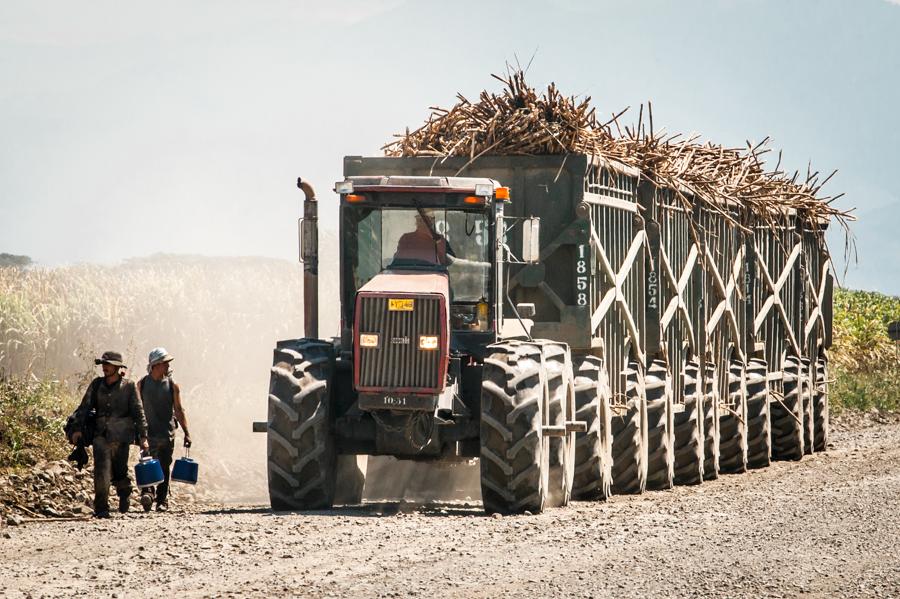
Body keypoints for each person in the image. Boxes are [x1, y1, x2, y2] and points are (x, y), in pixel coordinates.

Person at [70, 351, 149, 518]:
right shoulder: (97, 385)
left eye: (108, 364)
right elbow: (84, 407)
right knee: (101, 471)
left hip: (122, 436)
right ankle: (101, 508)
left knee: (120, 471)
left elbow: (138, 412)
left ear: (117, 367)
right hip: (101, 435)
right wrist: (77, 429)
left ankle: (124, 492)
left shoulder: (129, 386)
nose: (104, 367)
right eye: (103, 364)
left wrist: (143, 437)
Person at [137, 347, 192, 512]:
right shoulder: (142, 384)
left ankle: (162, 500)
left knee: (164, 467)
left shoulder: (172, 385)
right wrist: (138, 432)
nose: (168, 366)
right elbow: (137, 409)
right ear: (156, 365)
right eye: (165, 363)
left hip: (167, 434)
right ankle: (148, 494)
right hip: (148, 434)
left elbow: (179, 410)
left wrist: (187, 433)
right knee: (147, 464)